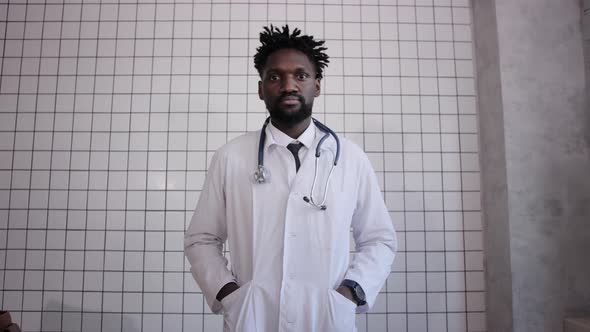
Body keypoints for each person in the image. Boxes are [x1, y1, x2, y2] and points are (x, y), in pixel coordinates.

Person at [184, 25, 396, 332]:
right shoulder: (231, 157)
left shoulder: (350, 158)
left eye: (300, 75)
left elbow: (379, 239)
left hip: (326, 318)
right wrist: (230, 295)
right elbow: (201, 239)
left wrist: (351, 293)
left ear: (317, 85)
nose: (288, 85)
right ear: (260, 89)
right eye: (275, 77)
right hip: (254, 318)